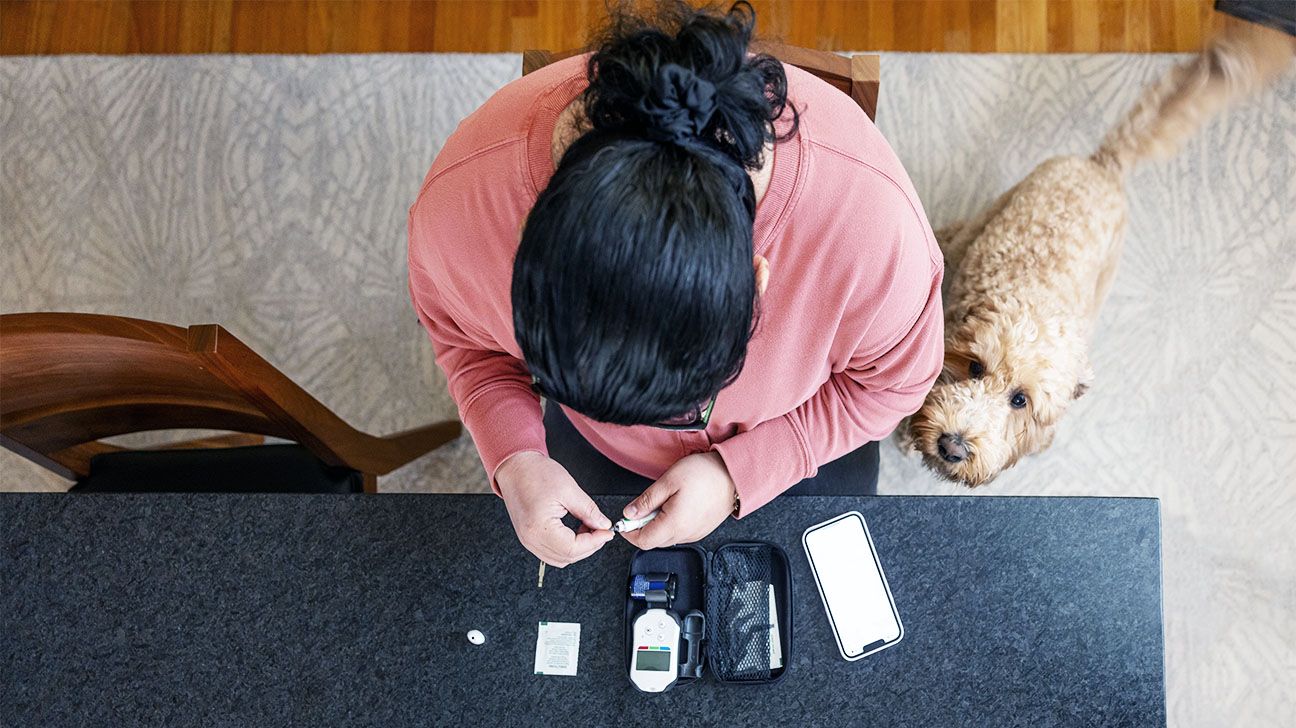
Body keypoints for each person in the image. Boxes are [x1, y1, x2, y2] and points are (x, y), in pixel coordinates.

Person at [407, 0, 944, 568]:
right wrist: (515, 456)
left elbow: (893, 385)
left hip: (806, 428)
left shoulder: (875, 234)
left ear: (756, 278)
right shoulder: (455, 212)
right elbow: (469, 346)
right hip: (597, 448)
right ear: (524, 240)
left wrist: (743, 471)